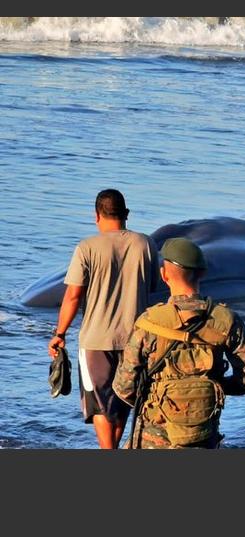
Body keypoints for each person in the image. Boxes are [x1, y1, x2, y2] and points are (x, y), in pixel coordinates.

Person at [113, 237, 245, 449]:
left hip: (153, 438)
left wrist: (163, 395)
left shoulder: (149, 323)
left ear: (164, 275)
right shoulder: (227, 320)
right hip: (204, 435)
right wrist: (209, 388)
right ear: (202, 273)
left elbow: (124, 387)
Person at [46, 189, 159, 449]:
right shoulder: (145, 244)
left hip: (96, 340)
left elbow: (73, 296)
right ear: (126, 215)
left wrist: (59, 333)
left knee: (99, 404)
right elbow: (152, 286)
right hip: (135, 339)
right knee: (123, 401)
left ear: (96, 215)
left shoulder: (87, 247)